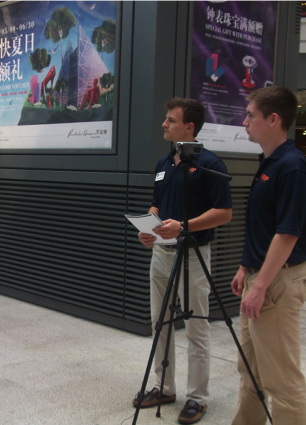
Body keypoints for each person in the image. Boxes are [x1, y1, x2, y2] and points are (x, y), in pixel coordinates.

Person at [133, 98, 232, 425]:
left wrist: (185, 226)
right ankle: (164, 387)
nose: (164, 124)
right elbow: (156, 204)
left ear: (189, 127)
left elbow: (224, 212)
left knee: (196, 326)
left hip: (193, 255)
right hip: (161, 255)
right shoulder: (164, 163)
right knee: (158, 323)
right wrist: (149, 227)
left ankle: (197, 397)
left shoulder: (210, 164)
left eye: (171, 120)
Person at [230, 86, 306, 425]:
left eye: (251, 115)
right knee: (250, 371)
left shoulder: (291, 167)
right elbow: (265, 227)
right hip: (260, 275)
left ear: (273, 119)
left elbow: (288, 233)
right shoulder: (270, 162)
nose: (245, 121)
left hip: (277, 282)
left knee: (282, 380)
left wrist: (261, 285)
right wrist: (245, 267)